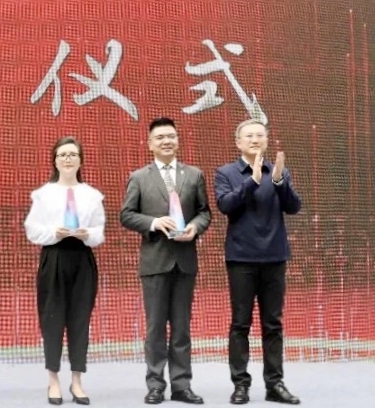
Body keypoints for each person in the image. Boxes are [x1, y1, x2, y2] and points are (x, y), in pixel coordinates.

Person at [120, 117, 211, 405]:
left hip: (185, 262)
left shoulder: (194, 175)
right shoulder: (139, 177)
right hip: (155, 262)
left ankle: (182, 386)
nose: (166, 141)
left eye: (171, 136)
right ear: (150, 144)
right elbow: (126, 215)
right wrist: (153, 222)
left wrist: (195, 227)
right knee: (155, 328)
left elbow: (204, 212)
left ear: (178, 140)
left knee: (182, 328)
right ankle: (155, 385)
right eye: (160, 137)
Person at [214, 119, 302, 405]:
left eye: (260, 135)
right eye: (249, 136)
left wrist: (278, 182)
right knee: (241, 324)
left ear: (266, 140)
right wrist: (251, 182)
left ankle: (275, 384)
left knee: (272, 324)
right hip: (241, 259)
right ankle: (240, 385)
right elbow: (226, 205)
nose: (255, 140)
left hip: (274, 257)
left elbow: (294, 206)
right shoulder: (226, 172)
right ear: (238, 142)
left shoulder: (278, 172)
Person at [24, 137, 105, 406]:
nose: (68, 159)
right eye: (62, 154)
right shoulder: (43, 194)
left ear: (80, 160)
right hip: (54, 256)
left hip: (82, 258)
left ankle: (77, 380)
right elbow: (32, 229)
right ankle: (53, 380)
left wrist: (87, 234)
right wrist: (53, 232)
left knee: (80, 319)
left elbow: (99, 232)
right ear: (55, 161)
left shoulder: (92, 195)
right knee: (52, 319)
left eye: (72, 154)